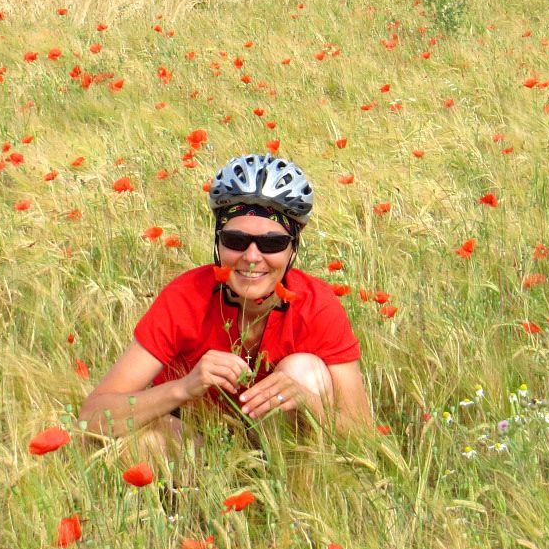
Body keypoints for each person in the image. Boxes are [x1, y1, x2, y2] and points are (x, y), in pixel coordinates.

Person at [79, 153, 371, 455]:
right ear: (218, 242)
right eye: (236, 240)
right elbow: (92, 417)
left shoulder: (316, 306)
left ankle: (295, 498)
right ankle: (196, 500)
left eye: (272, 243)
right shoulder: (185, 297)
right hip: (199, 447)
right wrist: (184, 388)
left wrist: (307, 402)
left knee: (304, 371)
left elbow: (363, 434)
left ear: (293, 250)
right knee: (147, 441)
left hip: (285, 452)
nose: (252, 257)